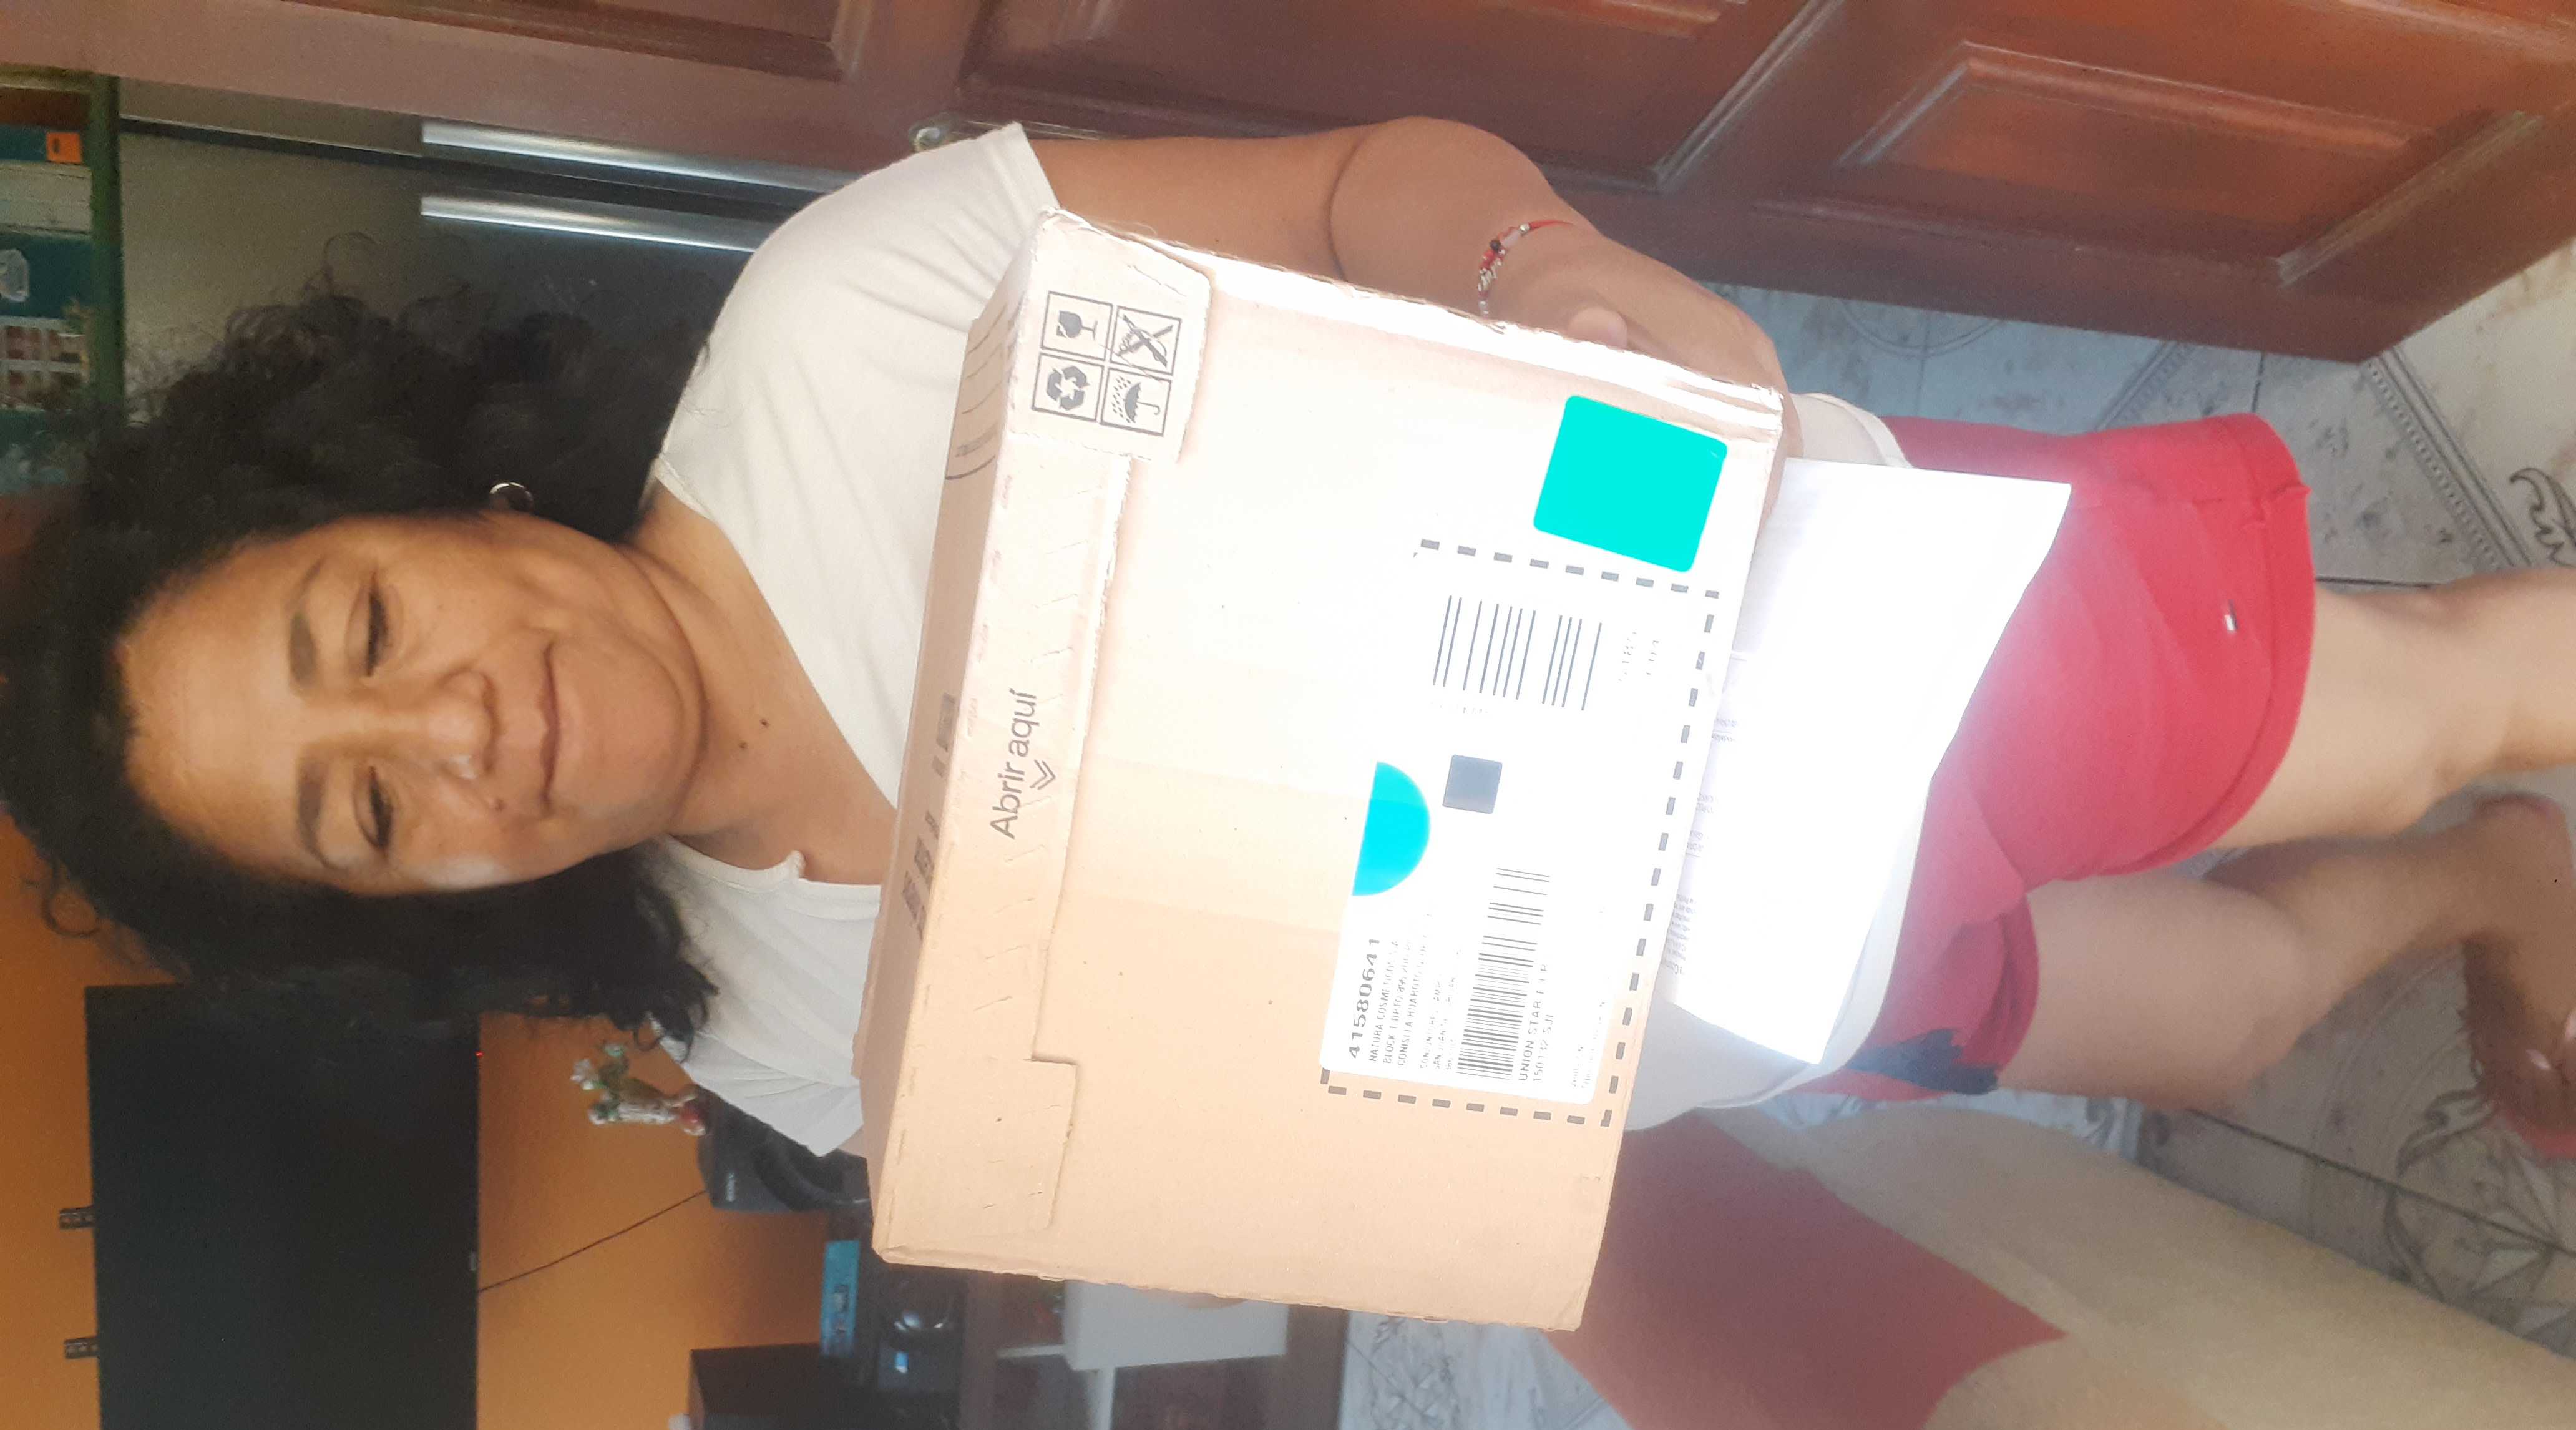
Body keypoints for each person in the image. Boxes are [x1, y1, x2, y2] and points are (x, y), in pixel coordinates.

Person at [4, 117, 2574, 1161]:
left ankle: (2474, 770)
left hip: (1821, 642)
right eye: (366, 813)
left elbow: (1368, 189)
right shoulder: (758, 1030)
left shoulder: (843, 323)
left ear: (431, 499)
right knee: (2222, 1024)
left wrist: (1553, 283)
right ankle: (2503, 891)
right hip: (1722, 985)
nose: (455, 730)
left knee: (2422, 703)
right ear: (417, 911)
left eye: (364, 628)